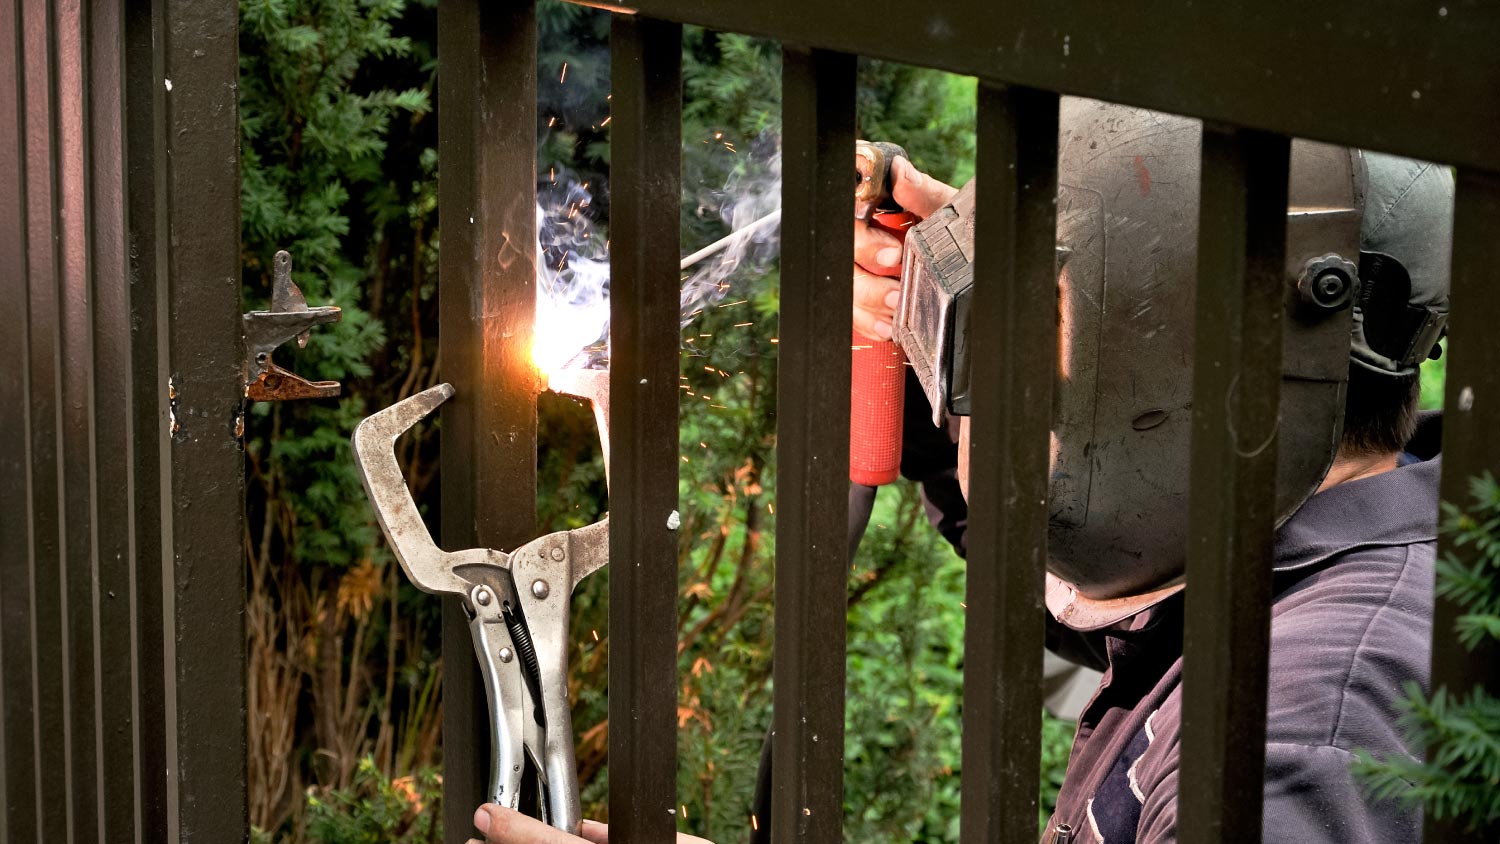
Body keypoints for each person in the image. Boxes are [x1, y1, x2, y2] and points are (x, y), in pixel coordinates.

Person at [470, 99, 1453, 844]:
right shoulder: (1249, 576)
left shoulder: (1311, 724)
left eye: (1044, 311)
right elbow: (1072, 537)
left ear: (1190, 347)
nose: (976, 351)